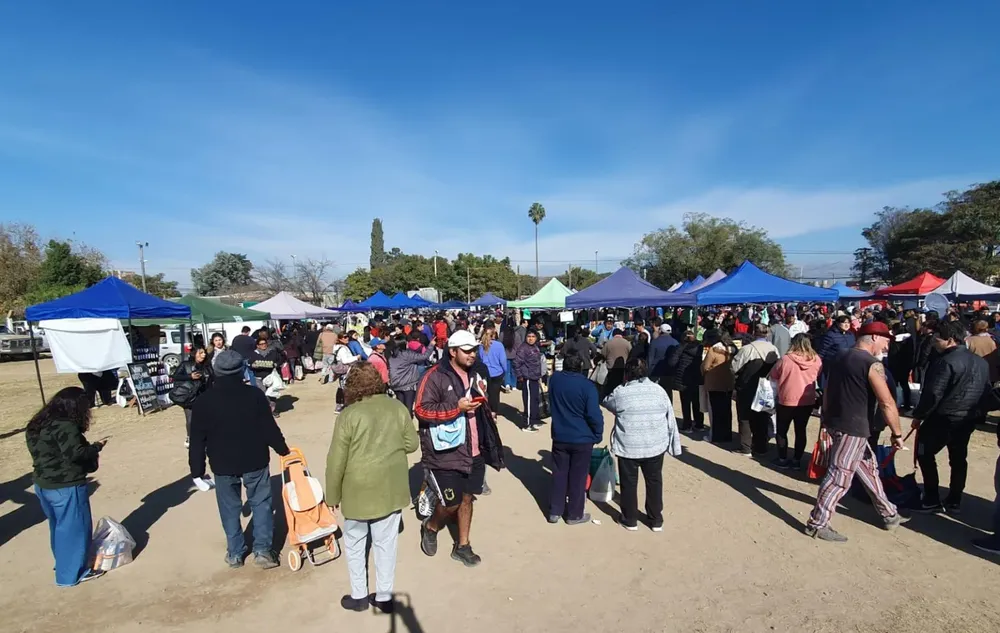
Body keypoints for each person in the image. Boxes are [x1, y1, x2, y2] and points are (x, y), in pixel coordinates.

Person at [325, 362, 419, 613]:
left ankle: (359, 595)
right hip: (390, 485)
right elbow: (412, 445)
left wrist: (331, 495)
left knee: (355, 541)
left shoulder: (348, 414)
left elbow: (336, 461)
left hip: (357, 488)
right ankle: (385, 596)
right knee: (386, 544)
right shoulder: (397, 407)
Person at [805, 322, 908, 542]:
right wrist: (897, 434)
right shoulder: (871, 364)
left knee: (867, 468)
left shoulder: (840, 355)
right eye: (885, 340)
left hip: (837, 421)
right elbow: (887, 402)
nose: (886, 346)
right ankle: (817, 523)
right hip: (852, 426)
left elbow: (828, 387)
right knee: (839, 475)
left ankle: (889, 513)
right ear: (873, 337)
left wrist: (825, 418)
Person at [189, 350, 289, 568]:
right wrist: (283, 450)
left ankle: (235, 553)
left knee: (229, 508)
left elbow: (197, 438)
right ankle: (263, 550)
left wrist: (197, 470)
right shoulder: (254, 395)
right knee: (261, 503)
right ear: (240, 370)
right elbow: (268, 427)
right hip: (254, 458)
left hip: (222, 463)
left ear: (216, 372)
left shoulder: (204, 401)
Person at [415, 330, 505, 568]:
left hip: (474, 449)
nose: (472, 354)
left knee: (467, 499)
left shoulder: (476, 373)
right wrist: (455, 407)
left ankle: (463, 546)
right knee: (451, 502)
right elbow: (421, 410)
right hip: (445, 453)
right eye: (466, 350)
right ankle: (431, 526)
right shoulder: (433, 376)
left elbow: (482, 400)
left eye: (474, 349)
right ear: (452, 351)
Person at [26, 386, 106, 586]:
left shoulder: (37, 423)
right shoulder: (66, 426)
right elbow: (76, 454)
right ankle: (71, 575)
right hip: (66, 485)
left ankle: (63, 563)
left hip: (44, 485)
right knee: (75, 530)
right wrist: (95, 447)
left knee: (59, 528)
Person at [912, 321, 991, 513]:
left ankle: (931, 497)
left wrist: (919, 415)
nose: (934, 342)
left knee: (924, 453)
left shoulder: (945, 361)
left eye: (936, 339)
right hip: (967, 418)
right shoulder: (981, 362)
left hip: (945, 417)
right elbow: (986, 391)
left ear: (949, 340)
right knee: (958, 457)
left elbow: (933, 393)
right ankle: (955, 499)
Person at [602, 358, 682, 532]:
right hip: (654, 444)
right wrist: (673, 444)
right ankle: (656, 520)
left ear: (627, 373)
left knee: (628, 482)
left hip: (629, 445)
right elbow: (670, 418)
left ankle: (630, 519)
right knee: (654, 481)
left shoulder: (620, 392)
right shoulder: (659, 390)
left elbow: (608, 403)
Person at [547, 355, 604, 525]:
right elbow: (594, 414)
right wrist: (598, 433)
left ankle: (555, 511)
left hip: (560, 435)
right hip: (582, 437)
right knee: (578, 477)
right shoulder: (587, 386)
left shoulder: (555, 380)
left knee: (559, 474)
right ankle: (574, 513)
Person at [769, 334, 822, 469]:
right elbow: (819, 375)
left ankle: (782, 458)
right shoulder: (816, 360)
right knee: (801, 430)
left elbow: (773, 376)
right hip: (807, 399)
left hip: (787, 398)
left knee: (782, 430)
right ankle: (797, 460)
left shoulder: (786, 359)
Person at [731, 324, 780, 456]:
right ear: (767, 334)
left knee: (745, 417)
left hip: (747, 386)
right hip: (766, 387)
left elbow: (734, 367)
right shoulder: (774, 349)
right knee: (762, 415)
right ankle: (761, 446)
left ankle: (746, 447)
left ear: (754, 333)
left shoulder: (747, 349)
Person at [173, 346, 213, 448]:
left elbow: (213, 378)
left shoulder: (207, 365)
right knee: (190, 418)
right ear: (194, 354)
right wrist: (190, 376)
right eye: (200, 353)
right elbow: (175, 376)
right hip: (189, 395)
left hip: (204, 395)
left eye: (204, 353)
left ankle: (206, 437)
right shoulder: (185, 365)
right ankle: (190, 437)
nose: (203, 355)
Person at [701, 329, 736, 444]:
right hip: (728, 383)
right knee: (727, 410)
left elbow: (705, 367)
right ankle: (727, 435)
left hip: (714, 383)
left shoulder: (713, 350)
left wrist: (706, 371)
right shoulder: (734, 350)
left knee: (715, 412)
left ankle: (715, 436)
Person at [387, 334, 430, 414]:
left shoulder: (392, 356)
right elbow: (424, 356)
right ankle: (408, 424)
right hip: (408, 385)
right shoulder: (407, 355)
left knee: (401, 408)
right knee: (408, 408)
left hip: (397, 385)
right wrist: (431, 345)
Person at [673, 329, 705, 432]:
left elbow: (672, 362)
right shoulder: (700, 347)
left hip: (684, 377)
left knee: (685, 403)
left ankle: (687, 425)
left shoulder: (681, 347)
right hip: (697, 376)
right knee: (697, 402)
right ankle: (699, 424)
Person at [514, 330, 544, 432]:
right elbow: (517, 363)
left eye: (533, 336)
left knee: (535, 400)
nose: (530, 338)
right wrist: (520, 376)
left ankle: (534, 420)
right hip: (527, 378)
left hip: (535, 377)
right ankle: (526, 424)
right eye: (529, 336)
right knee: (529, 401)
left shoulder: (535, 347)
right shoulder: (523, 349)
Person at [477, 325, 507, 418]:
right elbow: (503, 360)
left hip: (486, 373)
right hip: (497, 372)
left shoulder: (481, 346)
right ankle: (494, 412)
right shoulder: (499, 345)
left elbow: (481, 360)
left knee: (487, 393)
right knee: (495, 393)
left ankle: (487, 410)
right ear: (494, 335)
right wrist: (504, 371)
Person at [816, 315, 855, 384]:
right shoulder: (830, 335)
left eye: (848, 323)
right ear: (838, 323)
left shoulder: (851, 335)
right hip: (833, 365)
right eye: (844, 322)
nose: (847, 325)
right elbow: (822, 351)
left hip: (848, 364)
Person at [250, 337, 282, 417]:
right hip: (259, 376)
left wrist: (276, 364)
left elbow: (280, 360)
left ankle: (273, 410)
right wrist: (253, 365)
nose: (263, 345)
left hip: (270, 375)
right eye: (261, 344)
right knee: (263, 393)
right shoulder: (254, 354)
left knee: (272, 393)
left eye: (264, 343)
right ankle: (267, 409)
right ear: (257, 346)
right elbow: (250, 363)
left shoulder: (272, 352)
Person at [647, 323, 679, 398]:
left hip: (656, 372)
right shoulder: (675, 343)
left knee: (656, 394)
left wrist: (648, 372)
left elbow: (650, 358)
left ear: (660, 331)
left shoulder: (655, 342)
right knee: (668, 393)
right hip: (670, 371)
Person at [601, 328, 632, 396]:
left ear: (613, 334)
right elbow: (631, 354)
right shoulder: (627, 343)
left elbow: (603, 354)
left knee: (611, 385)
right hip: (623, 368)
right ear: (621, 334)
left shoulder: (608, 343)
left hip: (611, 368)